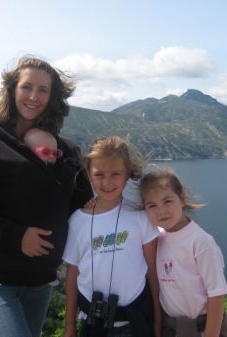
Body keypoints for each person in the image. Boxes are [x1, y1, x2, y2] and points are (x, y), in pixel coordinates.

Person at [0, 56, 93, 337]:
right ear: (12, 90)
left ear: (53, 98)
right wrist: (17, 236)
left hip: (40, 281)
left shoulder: (66, 151)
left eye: (43, 90)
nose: (33, 97)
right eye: (27, 87)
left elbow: (84, 208)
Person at [62, 136, 162, 337]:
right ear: (89, 174)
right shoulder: (78, 221)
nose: (107, 182)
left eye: (116, 174)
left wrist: (158, 322)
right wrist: (69, 326)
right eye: (99, 174)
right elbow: (72, 275)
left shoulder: (140, 217)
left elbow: (153, 272)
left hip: (133, 324)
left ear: (127, 174)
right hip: (92, 323)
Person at [139, 169, 227, 337]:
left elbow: (217, 295)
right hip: (172, 328)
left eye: (167, 201)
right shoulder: (156, 238)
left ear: (182, 199)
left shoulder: (200, 242)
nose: (161, 211)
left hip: (204, 328)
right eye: (152, 205)